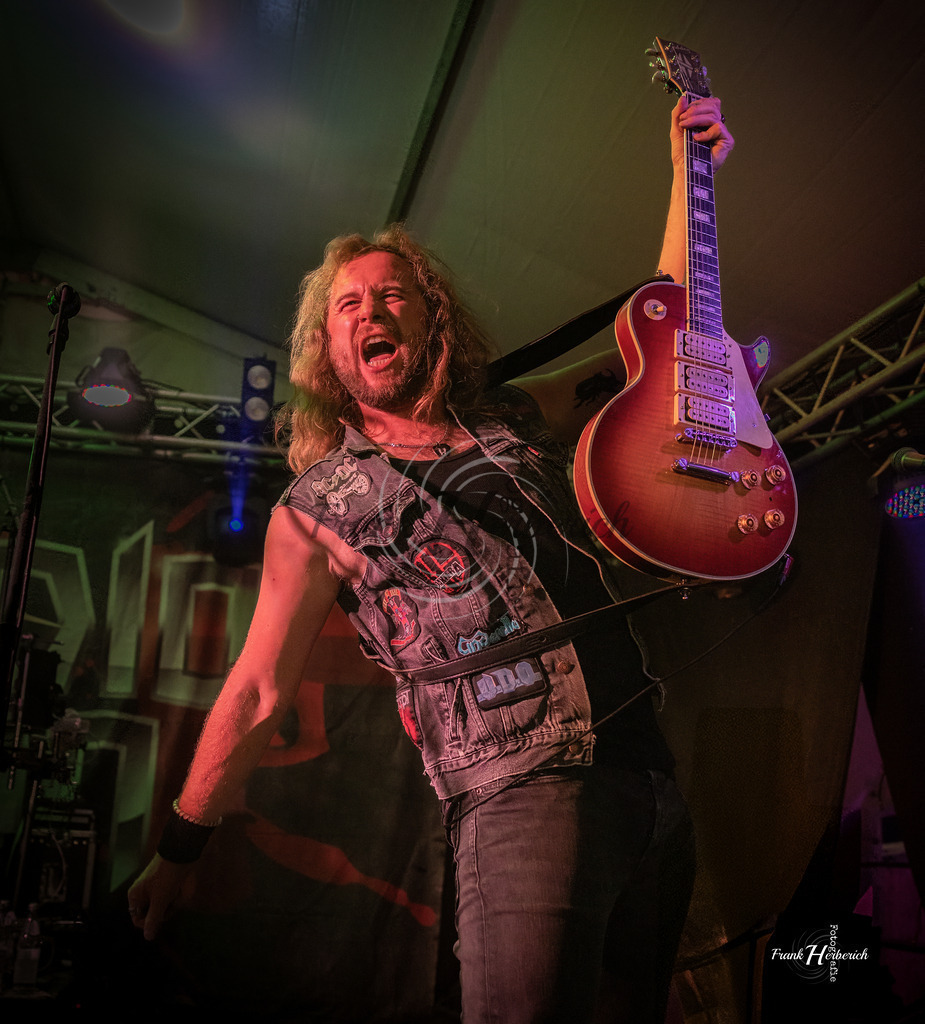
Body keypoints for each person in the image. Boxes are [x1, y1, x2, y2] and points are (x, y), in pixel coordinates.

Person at [129, 95, 734, 1023]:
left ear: (429, 319)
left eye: (391, 295)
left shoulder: (517, 416)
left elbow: (668, 336)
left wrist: (689, 177)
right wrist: (180, 845)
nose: (371, 311)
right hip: (519, 796)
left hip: (648, 782)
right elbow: (255, 691)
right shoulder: (314, 508)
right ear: (327, 352)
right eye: (348, 305)